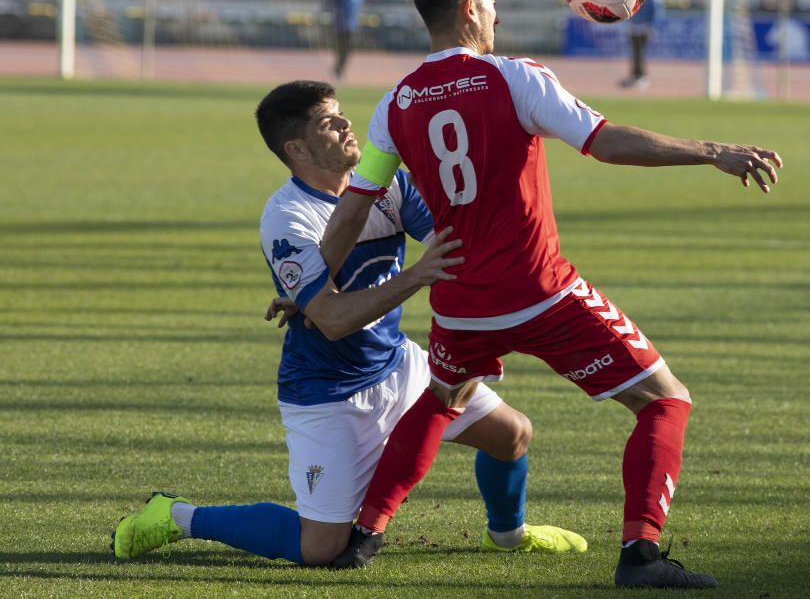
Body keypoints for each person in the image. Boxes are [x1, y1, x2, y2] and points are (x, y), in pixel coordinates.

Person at [318, 0, 782, 589]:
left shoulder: (394, 105)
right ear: (470, 10)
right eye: (494, 8)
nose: (497, 21)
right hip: (543, 293)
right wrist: (712, 152)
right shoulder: (515, 78)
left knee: (442, 398)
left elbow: (351, 211)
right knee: (665, 401)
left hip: (459, 301)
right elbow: (607, 142)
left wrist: (313, 287)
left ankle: (364, 537)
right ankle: (641, 555)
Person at [110, 80, 587, 566]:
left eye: (341, 114)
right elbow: (333, 320)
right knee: (320, 548)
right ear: (296, 148)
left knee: (512, 435)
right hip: (329, 394)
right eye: (327, 122)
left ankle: (507, 536)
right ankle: (177, 516)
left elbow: (456, 239)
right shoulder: (288, 217)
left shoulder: (385, 187)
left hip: (397, 363)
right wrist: (418, 275)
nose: (345, 125)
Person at [327, 0, 365, 80]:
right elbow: (330, 4)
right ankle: (338, 70)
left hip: (352, 25)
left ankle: (339, 70)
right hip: (340, 25)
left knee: (348, 49)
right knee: (341, 49)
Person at [620, 0, 662, 89]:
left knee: (640, 53)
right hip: (634, 26)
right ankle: (634, 76)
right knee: (634, 53)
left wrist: (652, 26)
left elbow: (656, 12)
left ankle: (641, 77)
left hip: (644, 27)